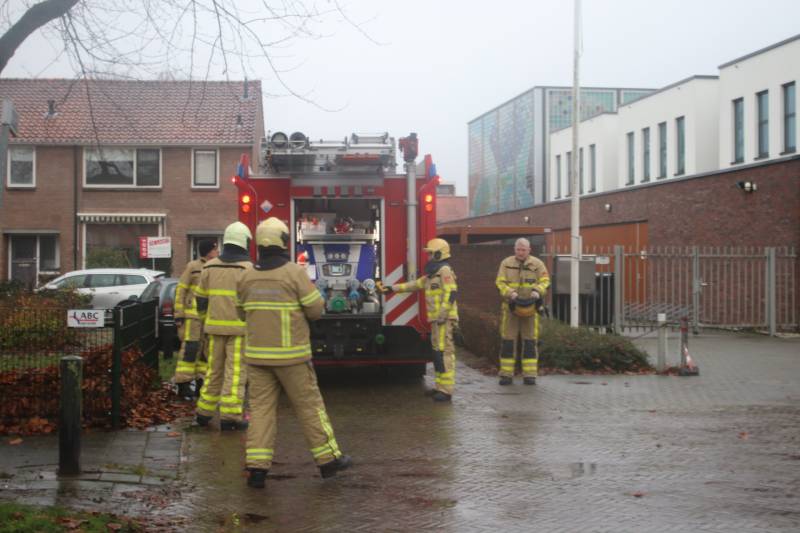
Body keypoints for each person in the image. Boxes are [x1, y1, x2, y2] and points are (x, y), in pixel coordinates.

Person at [238, 217, 351, 488]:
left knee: (261, 412)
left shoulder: (246, 276)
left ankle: (256, 470)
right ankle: (328, 461)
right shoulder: (294, 273)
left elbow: (239, 311)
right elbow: (315, 309)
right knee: (310, 408)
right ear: (283, 242)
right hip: (293, 358)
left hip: (257, 358)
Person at [194, 222, 253, 430]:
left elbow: (200, 300)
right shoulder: (248, 269)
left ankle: (203, 412)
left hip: (214, 330)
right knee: (235, 373)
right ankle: (230, 416)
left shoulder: (209, 267)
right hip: (239, 331)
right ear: (244, 242)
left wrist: (205, 320)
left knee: (214, 371)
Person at [384, 238, 458, 402]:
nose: (428, 257)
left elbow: (451, 293)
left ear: (439, 254)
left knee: (444, 353)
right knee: (437, 353)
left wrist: (443, 314)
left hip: (443, 320)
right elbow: (414, 285)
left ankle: (446, 391)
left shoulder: (445, 271)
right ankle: (440, 387)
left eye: (431, 253)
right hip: (437, 321)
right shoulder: (432, 274)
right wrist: (391, 289)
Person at [495, 238, 550, 385]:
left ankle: (530, 375)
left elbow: (545, 281)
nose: (520, 252)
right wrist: (509, 293)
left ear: (529, 250)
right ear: (514, 249)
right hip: (510, 308)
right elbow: (499, 282)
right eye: (518, 249)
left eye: (523, 250)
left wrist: (538, 291)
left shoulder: (538, 264)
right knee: (508, 341)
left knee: (530, 341)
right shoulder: (506, 263)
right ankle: (506, 375)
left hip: (531, 309)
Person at [173, 239, 218, 400]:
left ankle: (201, 382)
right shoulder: (192, 267)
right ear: (209, 251)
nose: (217, 251)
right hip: (192, 319)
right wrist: (179, 315)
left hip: (207, 319)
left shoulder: (215, 267)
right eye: (215, 249)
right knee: (190, 352)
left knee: (206, 353)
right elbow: (181, 290)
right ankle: (183, 384)